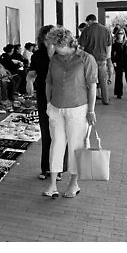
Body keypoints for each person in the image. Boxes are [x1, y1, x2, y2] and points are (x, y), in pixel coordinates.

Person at [43, 27, 97, 199]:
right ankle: (52, 184)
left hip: (78, 108)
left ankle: (74, 183)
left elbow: (92, 85)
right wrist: (48, 103)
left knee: (75, 146)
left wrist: (91, 110)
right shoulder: (54, 60)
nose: (52, 48)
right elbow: (48, 82)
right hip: (56, 108)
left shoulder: (86, 59)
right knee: (57, 144)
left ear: (65, 43)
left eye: (54, 45)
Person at [26, 25, 64, 181]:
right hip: (43, 96)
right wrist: (29, 81)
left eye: (52, 36)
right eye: (46, 36)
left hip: (61, 97)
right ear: (42, 39)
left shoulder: (62, 54)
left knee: (59, 134)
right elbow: (32, 73)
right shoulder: (37, 55)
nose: (49, 39)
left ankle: (58, 168)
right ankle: (45, 168)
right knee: (46, 132)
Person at [78, 14, 113, 105]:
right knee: (103, 80)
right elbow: (109, 45)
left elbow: (81, 46)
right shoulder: (106, 30)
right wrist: (108, 58)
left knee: (90, 80)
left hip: (90, 59)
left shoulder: (86, 30)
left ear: (89, 21)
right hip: (102, 58)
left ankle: (90, 100)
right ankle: (105, 99)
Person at [111, 28, 127, 100]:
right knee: (118, 77)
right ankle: (119, 93)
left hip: (126, 61)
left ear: (124, 35)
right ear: (117, 35)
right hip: (118, 61)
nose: (120, 35)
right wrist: (114, 62)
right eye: (119, 33)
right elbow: (112, 54)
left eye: (122, 33)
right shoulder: (115, 44)